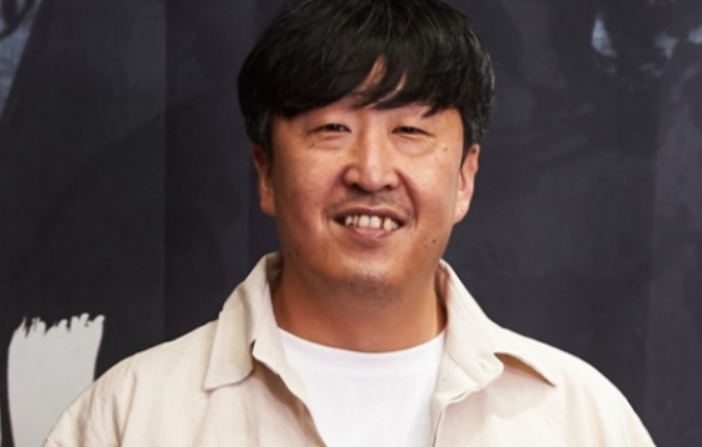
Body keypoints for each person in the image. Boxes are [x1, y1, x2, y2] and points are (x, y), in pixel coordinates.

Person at [44, 0, 656, 445]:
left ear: (465, 177)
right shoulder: (131, 418)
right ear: (266, 171)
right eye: (332, 128)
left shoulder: (581, 421)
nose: (372, 172)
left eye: (410, 130)